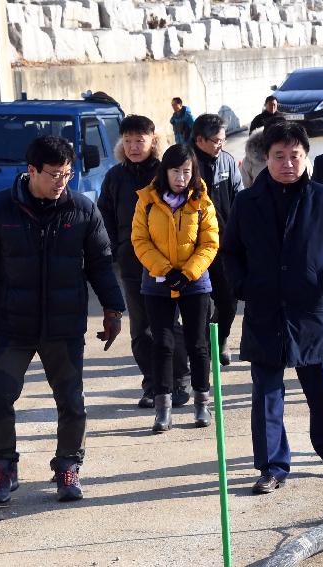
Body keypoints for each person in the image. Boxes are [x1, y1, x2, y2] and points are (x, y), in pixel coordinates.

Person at [0, 136, 125, 504]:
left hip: (64, 328)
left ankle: (68, 467)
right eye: (55, 174)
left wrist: (113, 309)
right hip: (14, 327)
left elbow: (101, 264)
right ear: (31, 171)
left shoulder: (82, 211)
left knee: (72, 403)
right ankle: (3, 468)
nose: (62, 182)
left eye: (68, 174)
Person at [222, 122, 323, 494]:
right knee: (266, 394)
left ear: (306, 157)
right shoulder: (247, 202)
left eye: (294, 156)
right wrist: (243, 286)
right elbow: (230, 251)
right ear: (265, 159)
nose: (287, 164)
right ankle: (271, 466)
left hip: (312, 311)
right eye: (278, 156)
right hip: (265, 310)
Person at [98, 115, 191, 410]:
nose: (134, 147)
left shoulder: (165, 173)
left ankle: (180, 379)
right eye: (128, 141)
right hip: (131, 265)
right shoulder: (115, 176)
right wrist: (116, 248)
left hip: (169, 264)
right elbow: (106, 215)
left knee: (170, 325)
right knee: (141, 329)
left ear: (153, 140)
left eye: (140, 140)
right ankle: (152, 383)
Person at [131, 144, 219, 431]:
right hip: (157, 283)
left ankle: (201, 404)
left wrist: (189, 272)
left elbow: (209, 242)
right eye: (175, 171)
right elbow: (140, 240)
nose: (180, 178)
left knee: (197, 343)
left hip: (195, 282)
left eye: (186, 172)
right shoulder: (146, 200)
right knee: (163, 344)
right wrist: (165, 270)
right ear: (164, 171)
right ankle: (163, 407)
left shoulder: (202, 201)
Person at [192, 114, 244, 366]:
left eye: (223, 140)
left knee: (229, 300)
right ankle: (202, 350)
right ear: (199, 139)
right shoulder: (185, 163)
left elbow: (238, 197)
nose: (221, 145)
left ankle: (220, 337)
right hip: (193, 246)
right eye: (216, 141)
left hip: (224, 244)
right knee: (199, 304)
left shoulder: (228, 161)